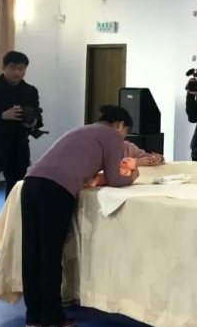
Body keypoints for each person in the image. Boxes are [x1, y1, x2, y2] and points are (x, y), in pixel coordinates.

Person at [22, 105, 138, 327]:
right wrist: (132, 176)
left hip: (31, 183)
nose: (124, 137)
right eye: (125, 132)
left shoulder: (83, 130)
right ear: (120, 125)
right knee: (50, 254)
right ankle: (52, 317)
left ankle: (33, 317)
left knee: (32, 251)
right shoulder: (113, 135)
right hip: (56, 190)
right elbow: (114, 178)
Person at [0, 51, 42, 199]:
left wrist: (33, 122)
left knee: (16, 187)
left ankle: (10, 214)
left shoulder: (30, 91)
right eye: (12, 68)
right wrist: (1, 116)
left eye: (21, 68)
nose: (17, 73)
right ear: (3, 67)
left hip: (19, 145)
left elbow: (37, 114)